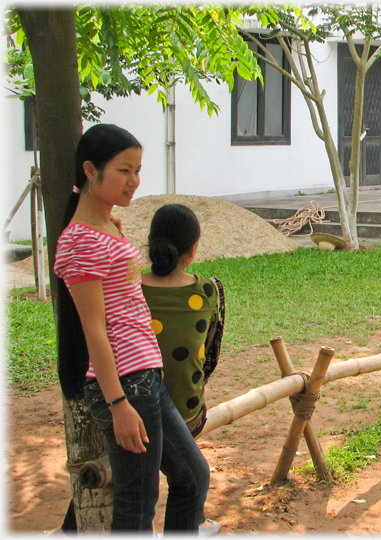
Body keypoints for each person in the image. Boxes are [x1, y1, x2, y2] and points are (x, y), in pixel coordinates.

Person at [53, 123, 210, 534]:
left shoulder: (107, 228)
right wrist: (118, 404)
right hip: (125, 384)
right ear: (90, 170)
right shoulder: (81, 239)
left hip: (145, 377)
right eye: (124, 170)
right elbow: (95, 330)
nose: (134, 181)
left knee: (192, 477)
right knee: (137, 503)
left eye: (138, 171)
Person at [141, 204, 225, 440]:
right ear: (193, 249)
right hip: (188, 417)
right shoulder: (209, 290)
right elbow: (210, 356)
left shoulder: (128, 290)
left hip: (135, 415)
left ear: (151, 243)